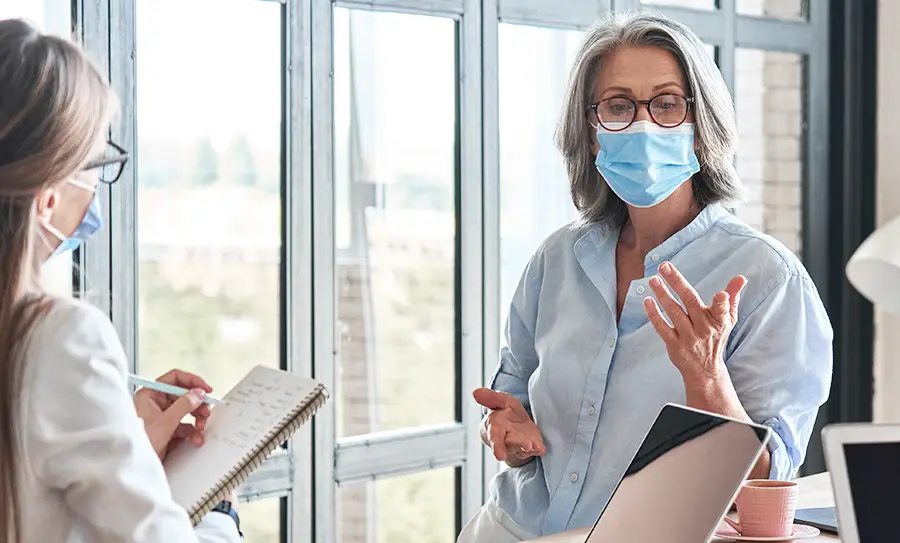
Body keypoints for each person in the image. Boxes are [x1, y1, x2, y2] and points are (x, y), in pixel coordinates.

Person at [458, 11, 833, 543]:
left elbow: (770, 486)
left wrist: (706, 377)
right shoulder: (556, 260)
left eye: (666, 103)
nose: (642, 124)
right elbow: (510, 395)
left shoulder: (767, 280)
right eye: (617, 106)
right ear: (590, 134)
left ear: (700, 127)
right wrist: (506, 432)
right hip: (509, 529)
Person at [0, 18, 242, 542]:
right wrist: (221, 516)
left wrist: (124, 437)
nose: (95, 192)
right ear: (46, 201)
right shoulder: (58, 337)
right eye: (94, 166)